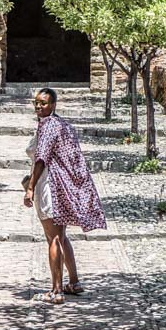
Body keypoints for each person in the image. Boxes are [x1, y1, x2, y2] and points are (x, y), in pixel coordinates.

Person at [24, 87, 106, 305]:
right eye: (37, 103)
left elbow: (41, 159)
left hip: (49, 185)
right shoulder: (63, 125)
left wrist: (30, 187)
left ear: (53, 105)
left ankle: (56, 291)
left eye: (43, 103)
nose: (39, 106)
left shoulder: (49, 126)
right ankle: (74, 282)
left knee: (53, 238)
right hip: (61, 185)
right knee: (61, 236)